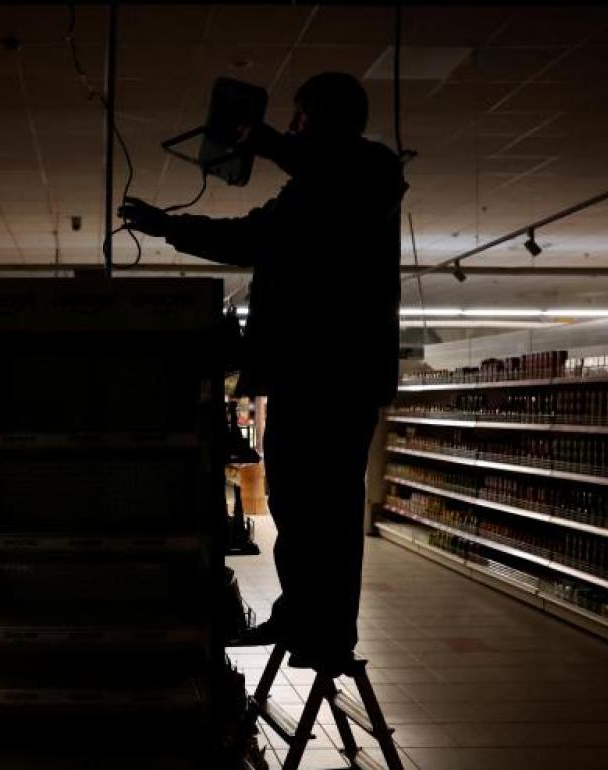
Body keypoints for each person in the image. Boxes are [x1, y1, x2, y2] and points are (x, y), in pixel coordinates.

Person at [120, 72, 405, 670]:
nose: (295, 130)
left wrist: (268, 140)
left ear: (325, 119)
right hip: (304, 373)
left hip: (336, 375)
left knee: (323, 507)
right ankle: (301, 612)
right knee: (297, 503)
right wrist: (171, 227)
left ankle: (327, 632)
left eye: (301, 119)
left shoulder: (371, 172)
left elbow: (323, 176)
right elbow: (252, 235)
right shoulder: (308, 194)